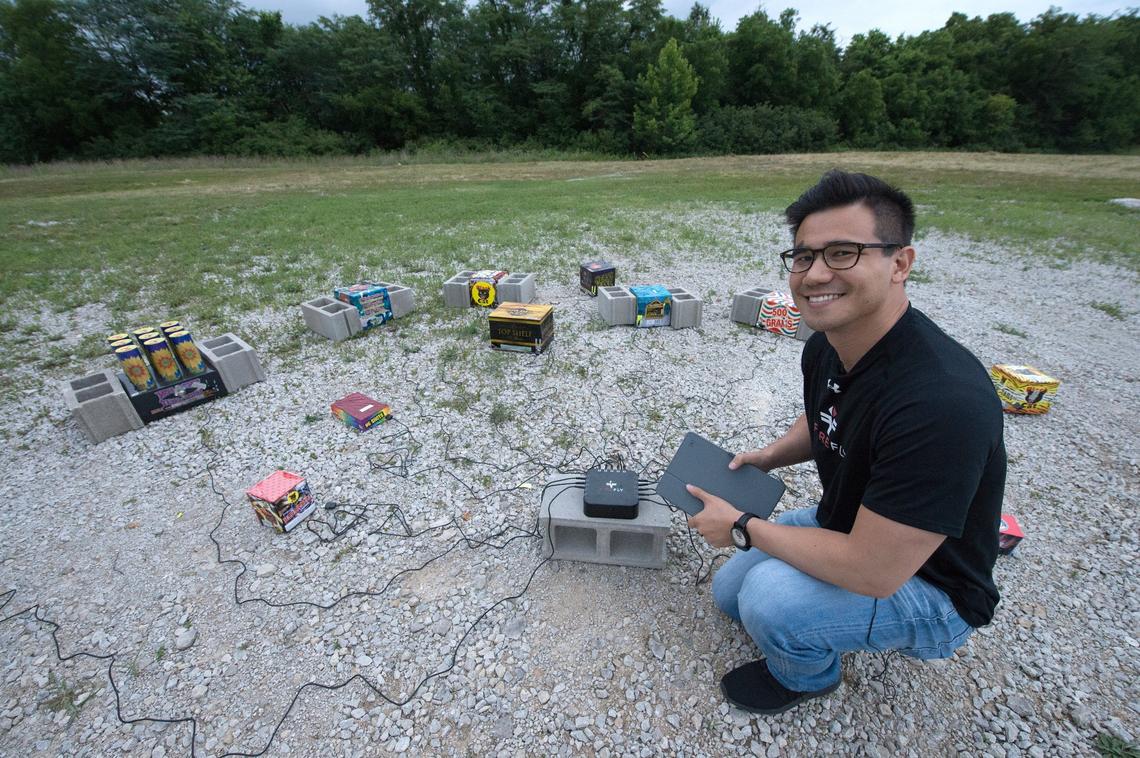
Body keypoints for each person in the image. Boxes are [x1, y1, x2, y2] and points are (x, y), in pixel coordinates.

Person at [687, 170, 1006, 715]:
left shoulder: (942, 402)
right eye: (803, 257)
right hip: (850, 523)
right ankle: (812, 619)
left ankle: (808, 676)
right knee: (730, 594)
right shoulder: (829, 345)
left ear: (900, 263)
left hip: (929, 584)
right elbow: (825, 416)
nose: (814, 275)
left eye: (841, 253)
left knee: (767, 600)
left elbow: (873, 571)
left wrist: (742, 526)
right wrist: (769, 455)